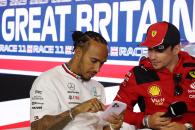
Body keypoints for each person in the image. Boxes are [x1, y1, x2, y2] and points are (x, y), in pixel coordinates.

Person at [30, 31, 124, 130]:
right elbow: (37, 128)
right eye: (94, 61)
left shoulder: (98, 87)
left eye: (102, 63)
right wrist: (76, 110)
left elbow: (100, 127)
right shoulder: (47, 80)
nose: (97, 69)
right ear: (78, 52)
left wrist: (112, 127)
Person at [114, 21, 195, 130]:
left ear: (176, 49)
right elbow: (115, 111)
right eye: (150, 49)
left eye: (159, 50)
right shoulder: (139, 74)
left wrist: (187, 127)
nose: (152, 57)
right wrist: (145, 120)